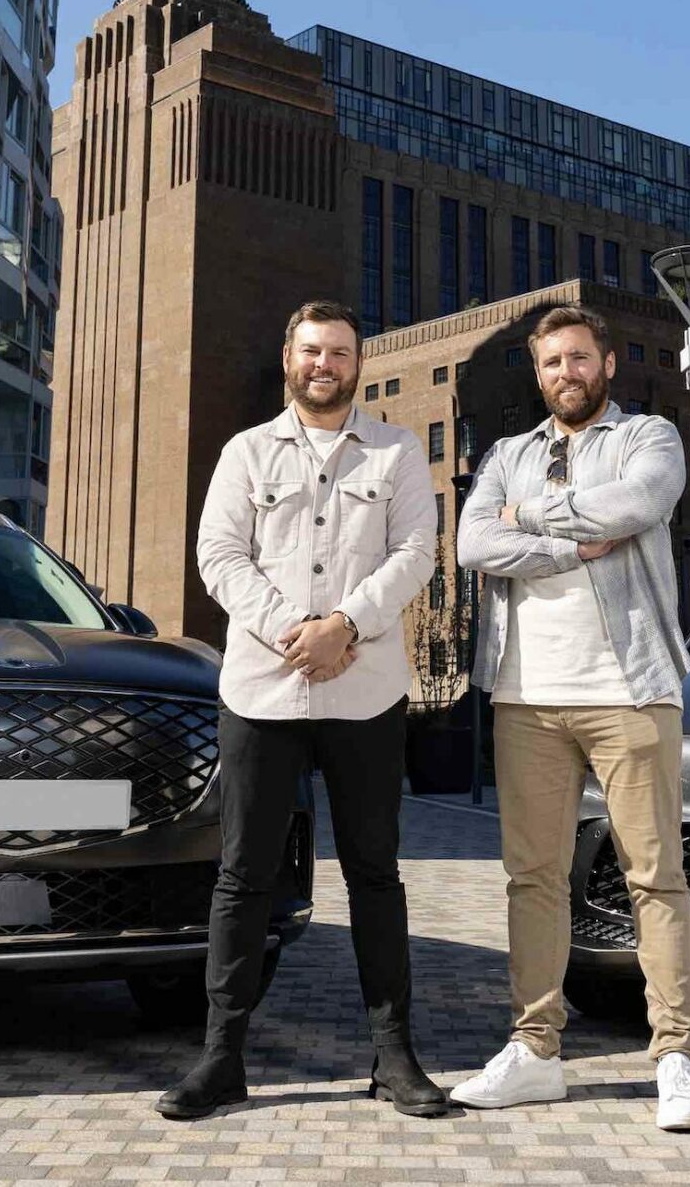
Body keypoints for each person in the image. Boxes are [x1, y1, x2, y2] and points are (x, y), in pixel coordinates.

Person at [159, 299, 448, 1121]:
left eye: (341, 352)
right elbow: (219, 555)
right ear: (288, 356)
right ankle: (221, 1058)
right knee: (243, 875)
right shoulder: (245, 454)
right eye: (312, 350)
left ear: (360, 362)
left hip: (366, 692)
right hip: (263, 689)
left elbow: (416, 553)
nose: (326, 364)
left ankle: (394, 1056)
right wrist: (298, 632)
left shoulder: (394, 453)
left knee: (374, 874)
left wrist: (347, 626)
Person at [450, 303, 690, 1132]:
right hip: (526, 695)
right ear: (538, 372)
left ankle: (675, 1057)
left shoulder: (651, 438)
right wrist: (561, 542)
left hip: (630, 689)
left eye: (580, 358)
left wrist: (526, 517)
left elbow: (632, 507)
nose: (567, 372)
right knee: (534, 878)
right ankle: (536, 1052)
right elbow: (471, 544)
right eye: (552, 361)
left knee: (653, 875)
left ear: (607, 363)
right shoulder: (506, 455)